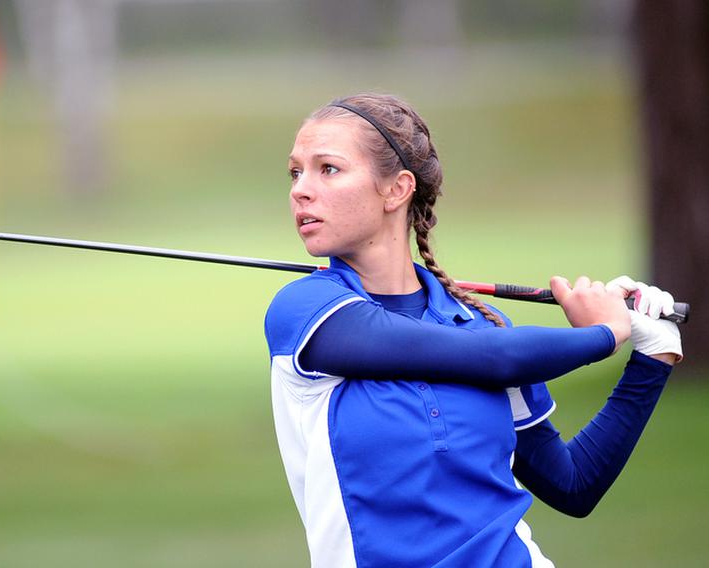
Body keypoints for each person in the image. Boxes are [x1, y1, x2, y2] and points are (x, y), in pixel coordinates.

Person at [263, 93, 682, 568]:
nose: (301, 189)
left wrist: (652, 358)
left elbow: (572, 485)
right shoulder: (306, 313)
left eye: (328, 169)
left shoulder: (479, 324)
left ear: (397, 190)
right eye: (296, 172)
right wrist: (607, 331)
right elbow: (493, 358)